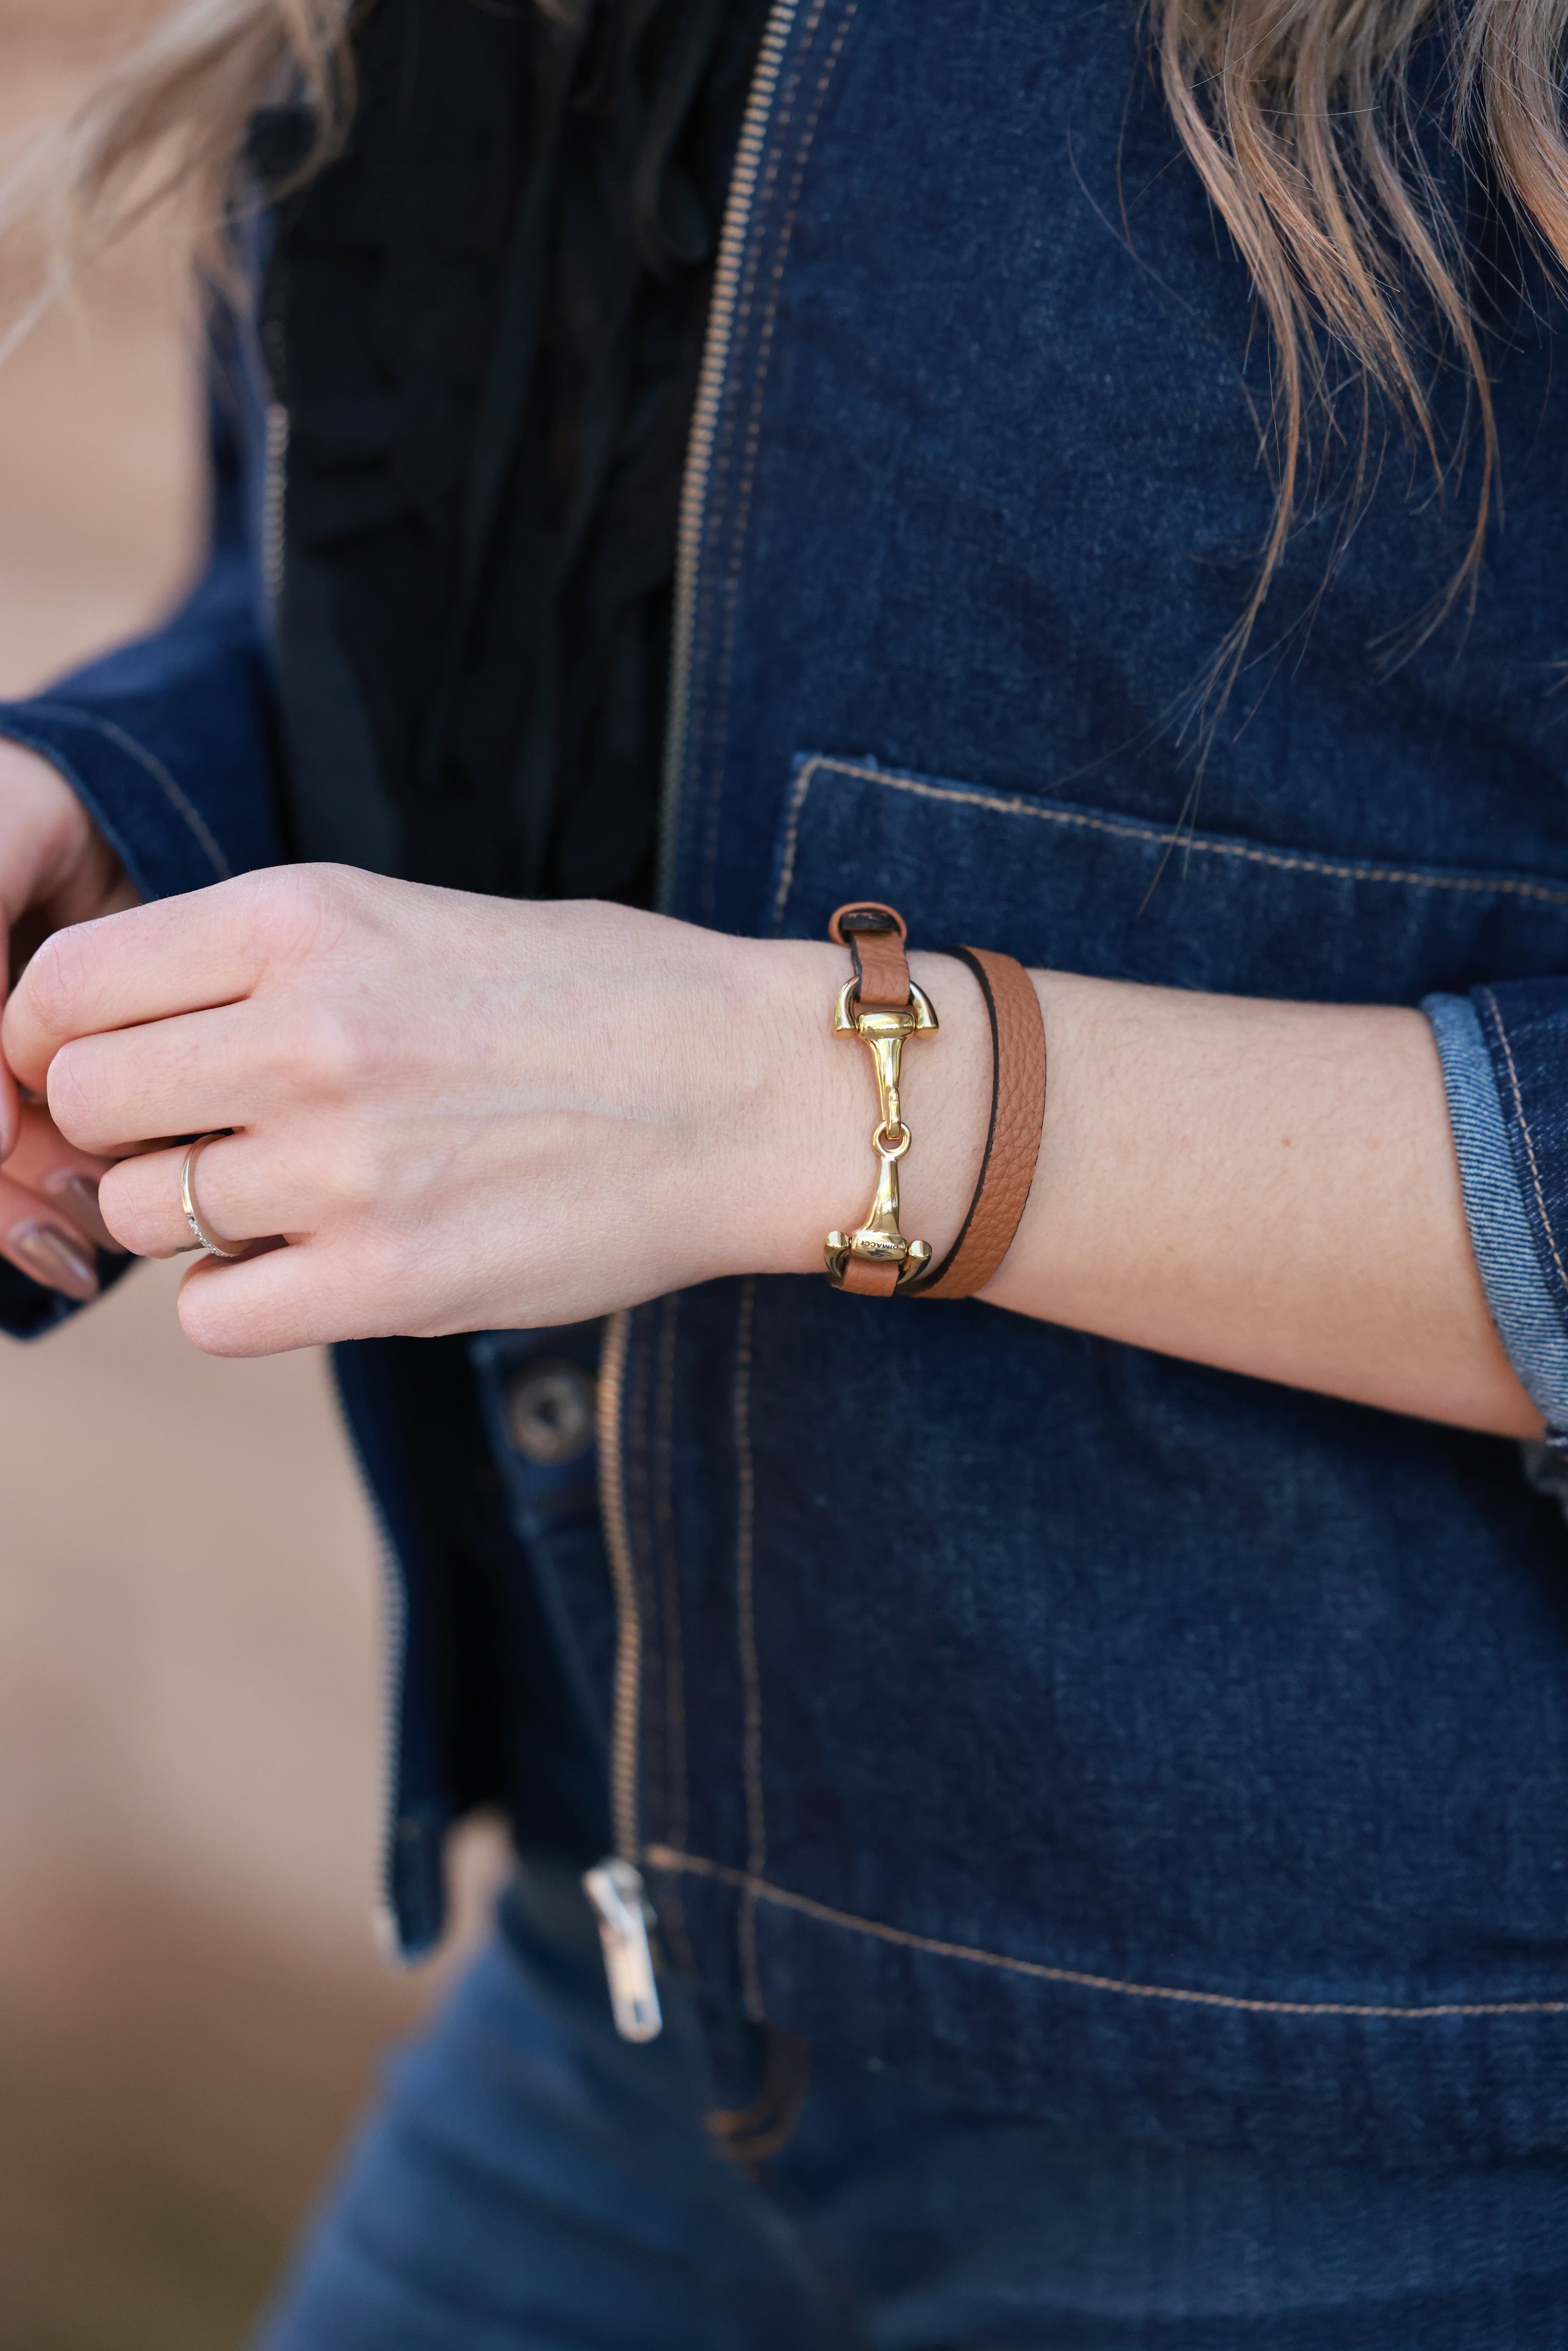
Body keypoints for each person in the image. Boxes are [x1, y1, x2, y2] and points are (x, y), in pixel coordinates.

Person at [3, 0, 1568, 2338]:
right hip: (628, 1967)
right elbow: (516, 539)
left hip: (1392, 2117)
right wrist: (139, 828)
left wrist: (791, 1099)